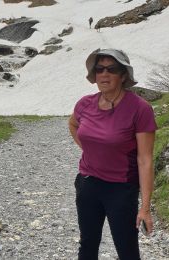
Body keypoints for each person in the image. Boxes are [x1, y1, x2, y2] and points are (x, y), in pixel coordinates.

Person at [68, 48, 156, 260]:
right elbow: (72, 124)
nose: (104, 74)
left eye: (111, 69)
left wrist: (144, 207)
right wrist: (92, 151)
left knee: (127, 251)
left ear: (123, 74)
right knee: (87, 245)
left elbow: (145, 160)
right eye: (99, 69)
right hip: (88, 184)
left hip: (121, 189)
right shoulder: (85, 104)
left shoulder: (139, 109)